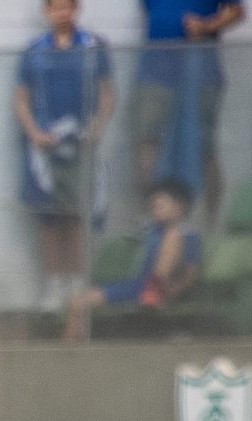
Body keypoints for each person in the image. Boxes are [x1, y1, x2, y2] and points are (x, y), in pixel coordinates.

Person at [14, 0, 115, 312]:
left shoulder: (93, 47)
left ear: (76, 9)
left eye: (67, 6)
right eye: (56, 7)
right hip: (46, 149)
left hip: (81, 145)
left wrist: (96, 129)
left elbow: (107, 94)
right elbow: (21, 98)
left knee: (76, 216)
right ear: (46, 11)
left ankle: (77, 284)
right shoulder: (34, 51)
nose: (62, 13)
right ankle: (54, 285)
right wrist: (35, 133)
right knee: (50, 219)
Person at [133, 0, 245, 220]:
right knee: (146, 139)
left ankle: (211, 221)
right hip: (156, 67)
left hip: (200, 65)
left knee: (203, 145)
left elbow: (236, 11)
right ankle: (155, 219)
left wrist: (207, 26)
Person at [65, 177, 202, 340]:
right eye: (153, 206)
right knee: (77, 303)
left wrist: (172, 291)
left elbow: (189, 274)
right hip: (139, 286)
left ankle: (155, 289)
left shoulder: (188, 235)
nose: (155, 210)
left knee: (172, 235)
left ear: (179, 208)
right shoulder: (152, 232)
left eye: (161, 206)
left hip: (165, 289)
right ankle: (70, 350)